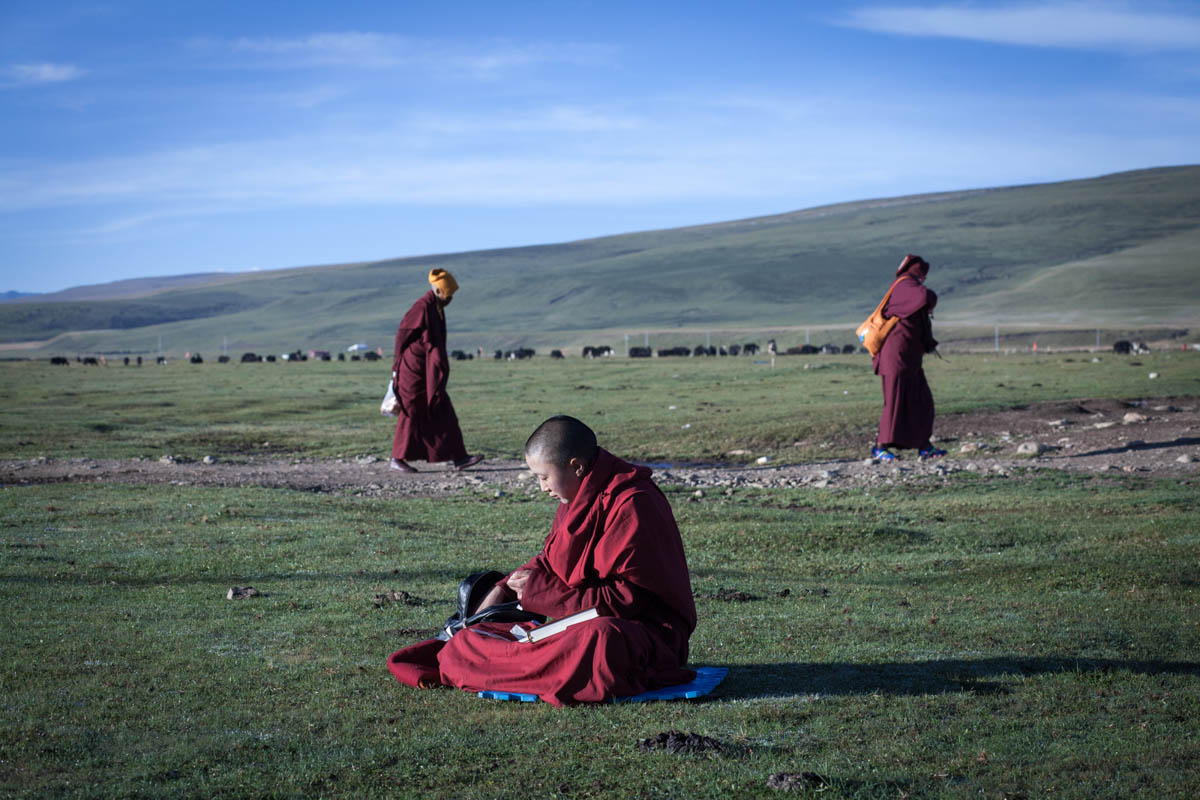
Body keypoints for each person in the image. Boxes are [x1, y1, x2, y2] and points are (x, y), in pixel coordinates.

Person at [386, 415, 697, 706]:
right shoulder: (579, 495)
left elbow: (626, 600)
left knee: (598, 641)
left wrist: (541, 593)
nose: (542, 488)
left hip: (642, 634)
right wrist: (505, 586)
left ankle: (481, 659)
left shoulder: (633, 502)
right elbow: (552, 559)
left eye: (544, 477)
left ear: (576, 466)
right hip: (578, 621)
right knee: (476, 640)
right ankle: (472, 648)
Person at [389, 268, 484, 473]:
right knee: (411, 413)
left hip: (428, 373)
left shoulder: (436, 307)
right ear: (440, 292)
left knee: (441, 409)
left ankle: (459, 457)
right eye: (449, 295)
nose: (451, 299)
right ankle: (397, 458)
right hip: (413, 371)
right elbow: (402, 335)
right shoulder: (422, 307)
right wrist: (396, 367)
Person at [872, 254, 945, 461]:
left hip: (909, 358)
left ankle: (924, 445)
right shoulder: (904, 286)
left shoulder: (907, 287)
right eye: (922, 271)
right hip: (896, 357)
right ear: (914, 270)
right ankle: (880, 447)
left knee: (921, 401)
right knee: (895, 402)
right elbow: (925, 297)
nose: (924, 276)